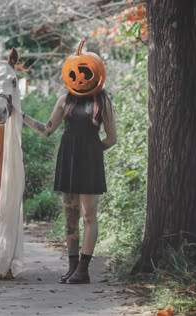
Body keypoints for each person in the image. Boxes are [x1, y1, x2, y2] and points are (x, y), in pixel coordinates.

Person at [21, 40, 117, 284]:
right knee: (70, 217)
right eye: (79, 71)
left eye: (86, 72)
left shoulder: (103, 102)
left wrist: (94, 152)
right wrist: (21, 116)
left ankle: (83, 270)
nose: (82, 76)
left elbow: (112, 138)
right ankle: (72, 267)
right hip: (68, 162)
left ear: (95, 73)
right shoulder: (65, 100)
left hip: (89, 164)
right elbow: (47, 129)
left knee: (89, 216)